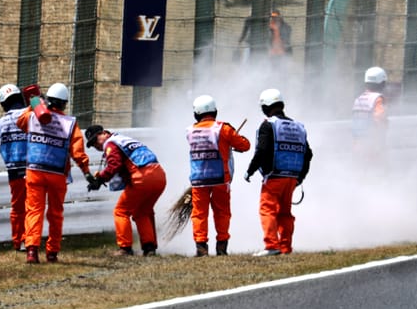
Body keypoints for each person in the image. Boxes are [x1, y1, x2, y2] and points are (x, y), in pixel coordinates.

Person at [14, 82, 93, 264]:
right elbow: (78, 153)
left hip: (35, 170)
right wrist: (87, 172)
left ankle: (32, 251)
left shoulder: (34, 116)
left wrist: (34, 103)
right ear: (65, 103)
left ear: (48, 100)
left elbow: (20, 122)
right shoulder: (70, 123)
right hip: (58, 173)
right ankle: (52, 252)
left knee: (34, 210)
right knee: (56, 213)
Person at [244, 88, 311, 256]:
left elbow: (262, 150)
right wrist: (300, 178)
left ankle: (271, 245)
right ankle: (285, 247)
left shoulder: (269, 125)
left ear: (266, 107)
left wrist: (250, 171)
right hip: (292, 178)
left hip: (274, 177)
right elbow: (308, 153)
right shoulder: (298, 127)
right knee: (285, 213)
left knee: (268, 210)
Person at [84, 125, 167, 257]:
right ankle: (149, 247)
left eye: (96, 140)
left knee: (121, 211)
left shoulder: (110, 144)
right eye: (92, 144)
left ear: (104, 133)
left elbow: (114, 165)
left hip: (143, 176)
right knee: (142, 212)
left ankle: (125, 248)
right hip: (159, 175)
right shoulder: (123, 140)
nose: (96, 145)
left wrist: (100, 180)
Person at [187, 94, 250, 256]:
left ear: (196, 113)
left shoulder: (190, 131)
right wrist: (233, 140)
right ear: (215, 111)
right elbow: (245, 145)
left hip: (198, 179)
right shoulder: (224, 128)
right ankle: (221, 247)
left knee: (199, 214)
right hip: (220, 178)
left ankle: (201, 248)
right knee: (222, 212)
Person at [0, 83, 28, 252]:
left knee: (17, 207)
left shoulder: (0, 123)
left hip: (13, 169)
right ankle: (30, 240)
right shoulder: (30, 115)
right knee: (33, 206)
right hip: (33, 166)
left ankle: (18, 241)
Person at [352, 67, 389, 163]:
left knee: (361, 172)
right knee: (377, 172)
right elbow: (380, 117)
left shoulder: (359, 99)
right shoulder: (377, 99)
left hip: (357, 144)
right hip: (372, 145)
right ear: (382, 83)